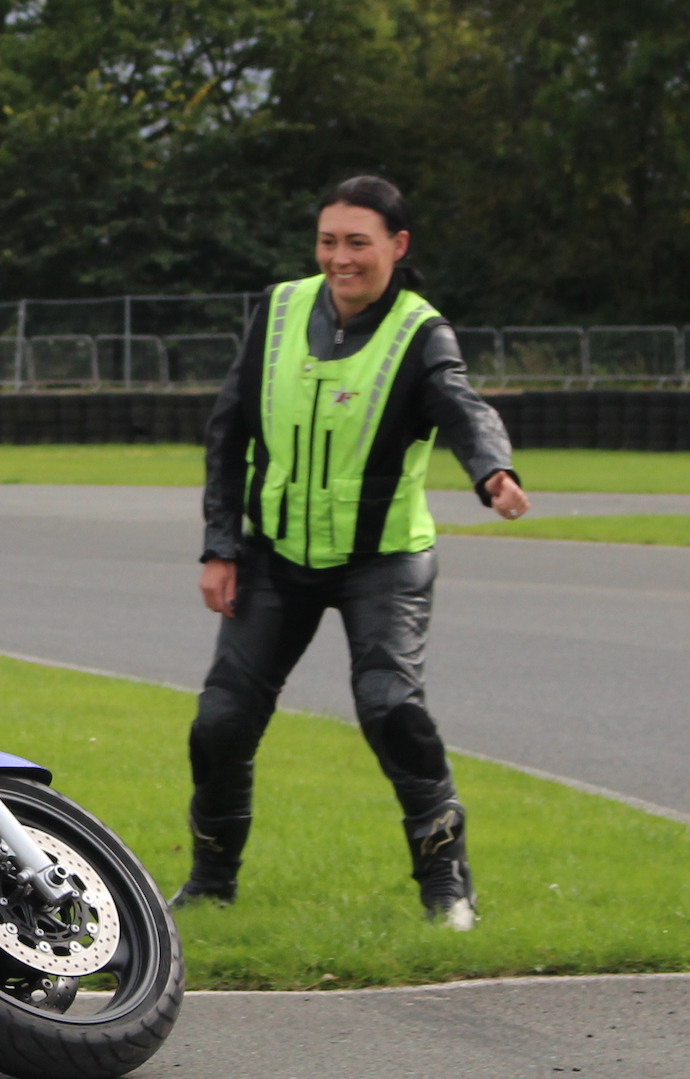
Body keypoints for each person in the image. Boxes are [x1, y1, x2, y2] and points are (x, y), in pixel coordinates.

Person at [174, 176, 530, 930]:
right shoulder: (277, 310)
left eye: (358, 243)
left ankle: (446, 884)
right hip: (275, 558)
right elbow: (228, 431)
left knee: (390, 707)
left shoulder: (420, 332)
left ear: (397, 248)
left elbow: (463, 407)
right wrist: (220, 545)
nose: (341, 258)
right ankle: (211, 883)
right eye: (329, 241)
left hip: (383, 561)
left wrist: (492, 470)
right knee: (220, 724)